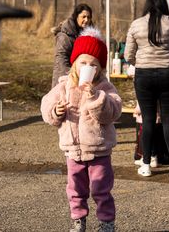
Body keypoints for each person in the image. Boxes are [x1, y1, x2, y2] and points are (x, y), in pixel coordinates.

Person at [41, 27, 122, 232]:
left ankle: (106, 223)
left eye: (93, 64)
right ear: (75, 64)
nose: (88, 67)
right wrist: (55, 111)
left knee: (101, 189)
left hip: (99, 150)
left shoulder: (105, 88)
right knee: (75, 188)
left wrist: (96, 97)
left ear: (100, 69)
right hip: (73, 150)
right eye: (83, 62)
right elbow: (46, 106)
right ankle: (78, 220)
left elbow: (113, 112)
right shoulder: (64, 85)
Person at [124, 0, 169, 177]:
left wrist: (141, 61)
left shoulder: (136, 24)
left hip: (144, 75)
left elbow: (128, 55)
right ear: (163, 6)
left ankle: (146, 164)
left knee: (148, 119)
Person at [52, 3, 93, 88]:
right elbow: (61, 59)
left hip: (81, 77)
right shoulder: (64, 36)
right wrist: (72, 77)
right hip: (64, 78)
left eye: (88, 17)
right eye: (83, 17)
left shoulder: (86, 34)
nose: (86, 20)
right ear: (76, 17)